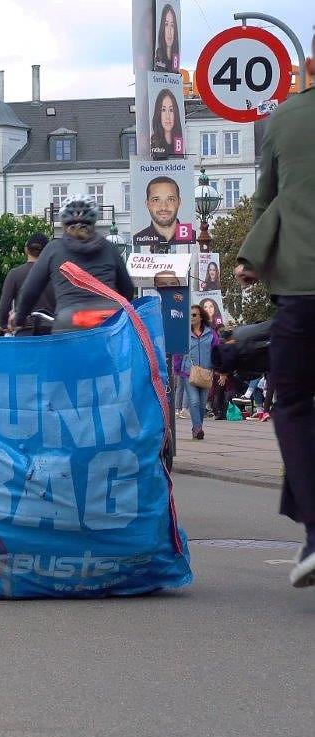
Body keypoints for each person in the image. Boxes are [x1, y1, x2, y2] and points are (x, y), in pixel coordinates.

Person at [234, 43, 315, 587]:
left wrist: (251, 256)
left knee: (294, 405)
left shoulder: (286, 120)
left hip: (303, 293)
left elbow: (266, 200)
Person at [10, 196, 134, 334]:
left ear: (63, 223)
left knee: (62, 354)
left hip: (71, 320)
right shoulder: (110, 248)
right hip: (111, 319)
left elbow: (31, 290)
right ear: (93, 222)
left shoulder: (53, 249)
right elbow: (127, 290)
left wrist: (19, 318)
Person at [177, 304, 224, 440]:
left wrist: (220, 370)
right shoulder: (185, 334)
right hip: (188, 372)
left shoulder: (211, 334)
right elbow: (178, 353)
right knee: (195, 401)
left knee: (202, 404)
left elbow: (217, 353)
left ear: (201, 317)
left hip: (206, 373)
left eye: (194, 315)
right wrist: (177, 368)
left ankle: (196, 429)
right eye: (190, 315)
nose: (191, 317)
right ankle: (198, 429)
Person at [0, 232, 52, 336]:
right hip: (51, 332)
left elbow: (4, 306)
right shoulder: (55, 274)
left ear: (26, 249)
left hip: (25, 331)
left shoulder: (15, 274)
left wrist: (3, 325)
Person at [133, 177, 192, 246]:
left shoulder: (192, 236)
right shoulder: (139, 238)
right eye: (156, 200)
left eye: (170, 199)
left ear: (179, 202)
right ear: (147, 204)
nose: (163, 207)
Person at [150, 90, 183, 159]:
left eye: (171, 110)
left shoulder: (179, 141)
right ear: (158, 113)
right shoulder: (153, 142)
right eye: (163, 110)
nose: (167, 116)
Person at [154, 3, 180, 72]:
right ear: (162, 27)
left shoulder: (176, 57)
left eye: (172, 25)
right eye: (166, 24)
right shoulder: (158, 55)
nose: (169, 31)